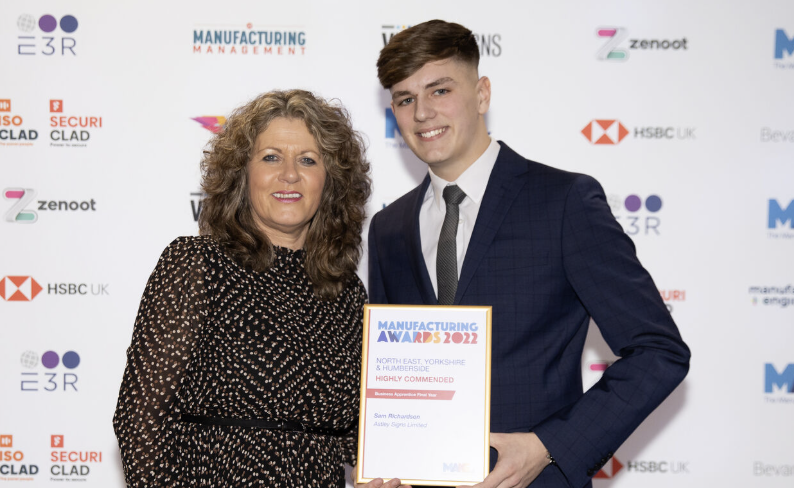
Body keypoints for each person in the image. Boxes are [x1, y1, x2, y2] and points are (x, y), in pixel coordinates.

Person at [367, 20, 691, 488]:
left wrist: (547, 446)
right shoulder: (388, 228)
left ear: (482, 94)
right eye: (404, 99)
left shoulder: (563, 202)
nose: (422, 113)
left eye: (440, 90)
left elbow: (659, 351)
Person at [113, 89, 391, 488]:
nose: (289, 174)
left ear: (330, 181)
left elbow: (348, 431)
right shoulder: (197, 264)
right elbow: (140, 418)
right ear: (242, 174)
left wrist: (390, 463)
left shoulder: (346, 292)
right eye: (271, 157)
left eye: (308, 160)